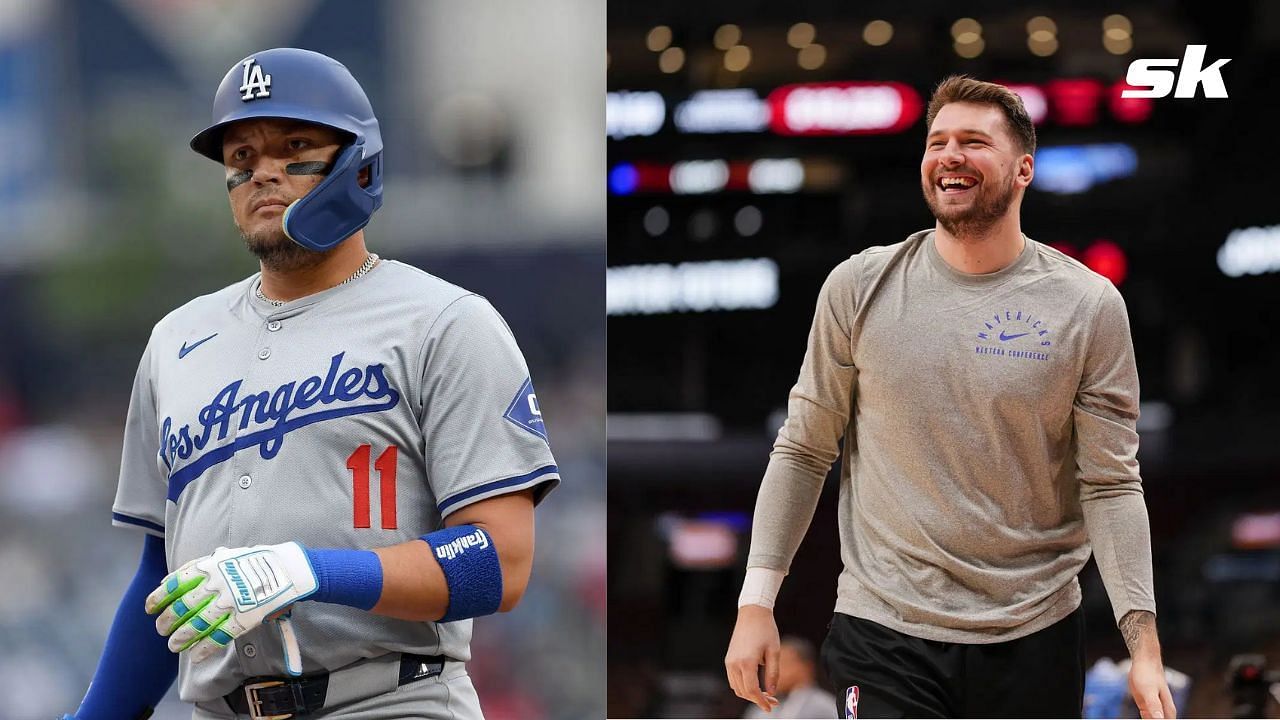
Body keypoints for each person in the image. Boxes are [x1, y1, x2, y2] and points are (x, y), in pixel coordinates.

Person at [64, 48, 559, 719]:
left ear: (358, 162)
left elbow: (500, 561)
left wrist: (308, 571)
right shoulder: (176, 341)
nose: (261, 171)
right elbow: (162, 581)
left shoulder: (446, 323)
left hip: (390, 699)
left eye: (293, 146)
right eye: (241, 157)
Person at [724, 75, 1176, 720]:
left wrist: (1145, 644)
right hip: (883, 627)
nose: (949, 156)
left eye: (973, 141)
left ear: (1024, 169)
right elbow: (802, 451)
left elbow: (1109, 483)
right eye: (937, 142)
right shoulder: (857, 288)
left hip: (1035, 630)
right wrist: (755, 604)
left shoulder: (1089, 305)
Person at [742, 637, 836, 719]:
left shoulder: (823, 706)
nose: (771, 671)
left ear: (806, 667)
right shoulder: (760, 710)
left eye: (783, 663)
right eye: (767, 666)